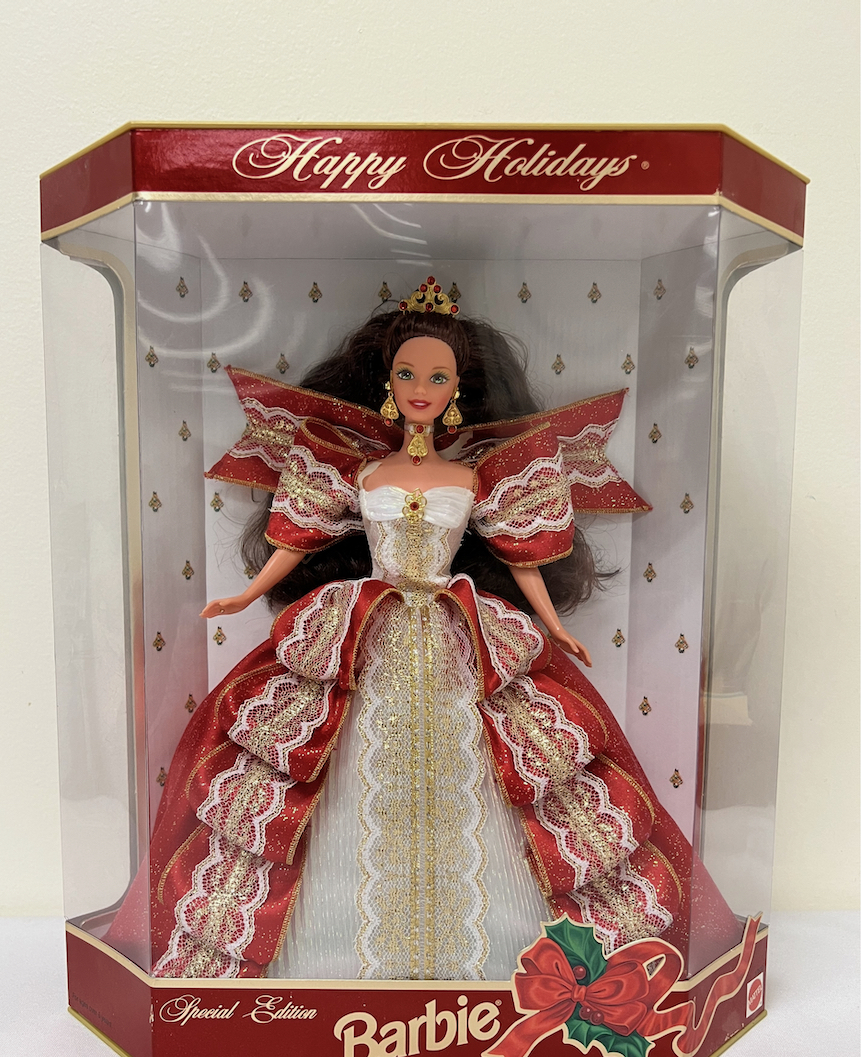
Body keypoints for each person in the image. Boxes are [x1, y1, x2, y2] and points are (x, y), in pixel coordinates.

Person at [106, 279, 743, 981]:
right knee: (337, 762)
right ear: (388, 380)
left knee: (496, 760)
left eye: (437, 377)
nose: (421, 388)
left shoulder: (472, 479)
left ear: (458, 388)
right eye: (408, 373)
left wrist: (555, 628)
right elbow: (298, 535)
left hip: (457, 630)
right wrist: (245, 595)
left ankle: (513, 954)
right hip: (364, 629)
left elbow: (521, 557)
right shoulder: (362, 472)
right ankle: (325, 952)